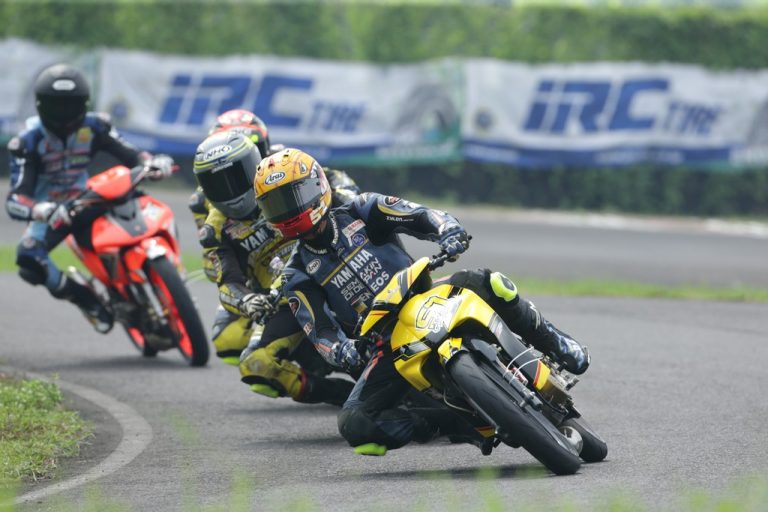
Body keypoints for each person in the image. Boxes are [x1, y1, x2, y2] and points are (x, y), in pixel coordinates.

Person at [253, 148, 591, 454]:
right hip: (383, 342)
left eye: (293, 197)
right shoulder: (296, 274)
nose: (288, 211)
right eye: (275, 205)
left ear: (317, 186)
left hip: (426, 294)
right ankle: (447, 422)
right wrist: (342, 350)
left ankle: (554, 341)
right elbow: (320, 331)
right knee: (355, 423)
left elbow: (419, 214)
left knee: (491, 282)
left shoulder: (360, 208)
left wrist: (448, 230)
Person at [5, 63, 174, 333]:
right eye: (56, 106)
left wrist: (151, 162)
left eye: (70, 105)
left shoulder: (95, 126)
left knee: (141, 203)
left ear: (84, 104)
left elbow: (131, 153)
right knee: (28, 258)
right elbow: (16, 198)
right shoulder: (27, 142)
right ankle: (85, 298)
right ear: (40, 105)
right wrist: (41, 209)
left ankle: (168, 268)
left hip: (93, 196)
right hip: (54, 212)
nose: (63, 114)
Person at [193, 130, 356, 405]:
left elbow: (331, 184)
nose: (230, 190)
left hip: (334, 267)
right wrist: (247, 301)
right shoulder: (215, 230)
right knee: (254, 363)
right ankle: (340, 395)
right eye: (217, 183)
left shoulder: (280, 176)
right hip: (284, 298)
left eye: (236, 176)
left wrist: (348, 196)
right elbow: (227, 282)